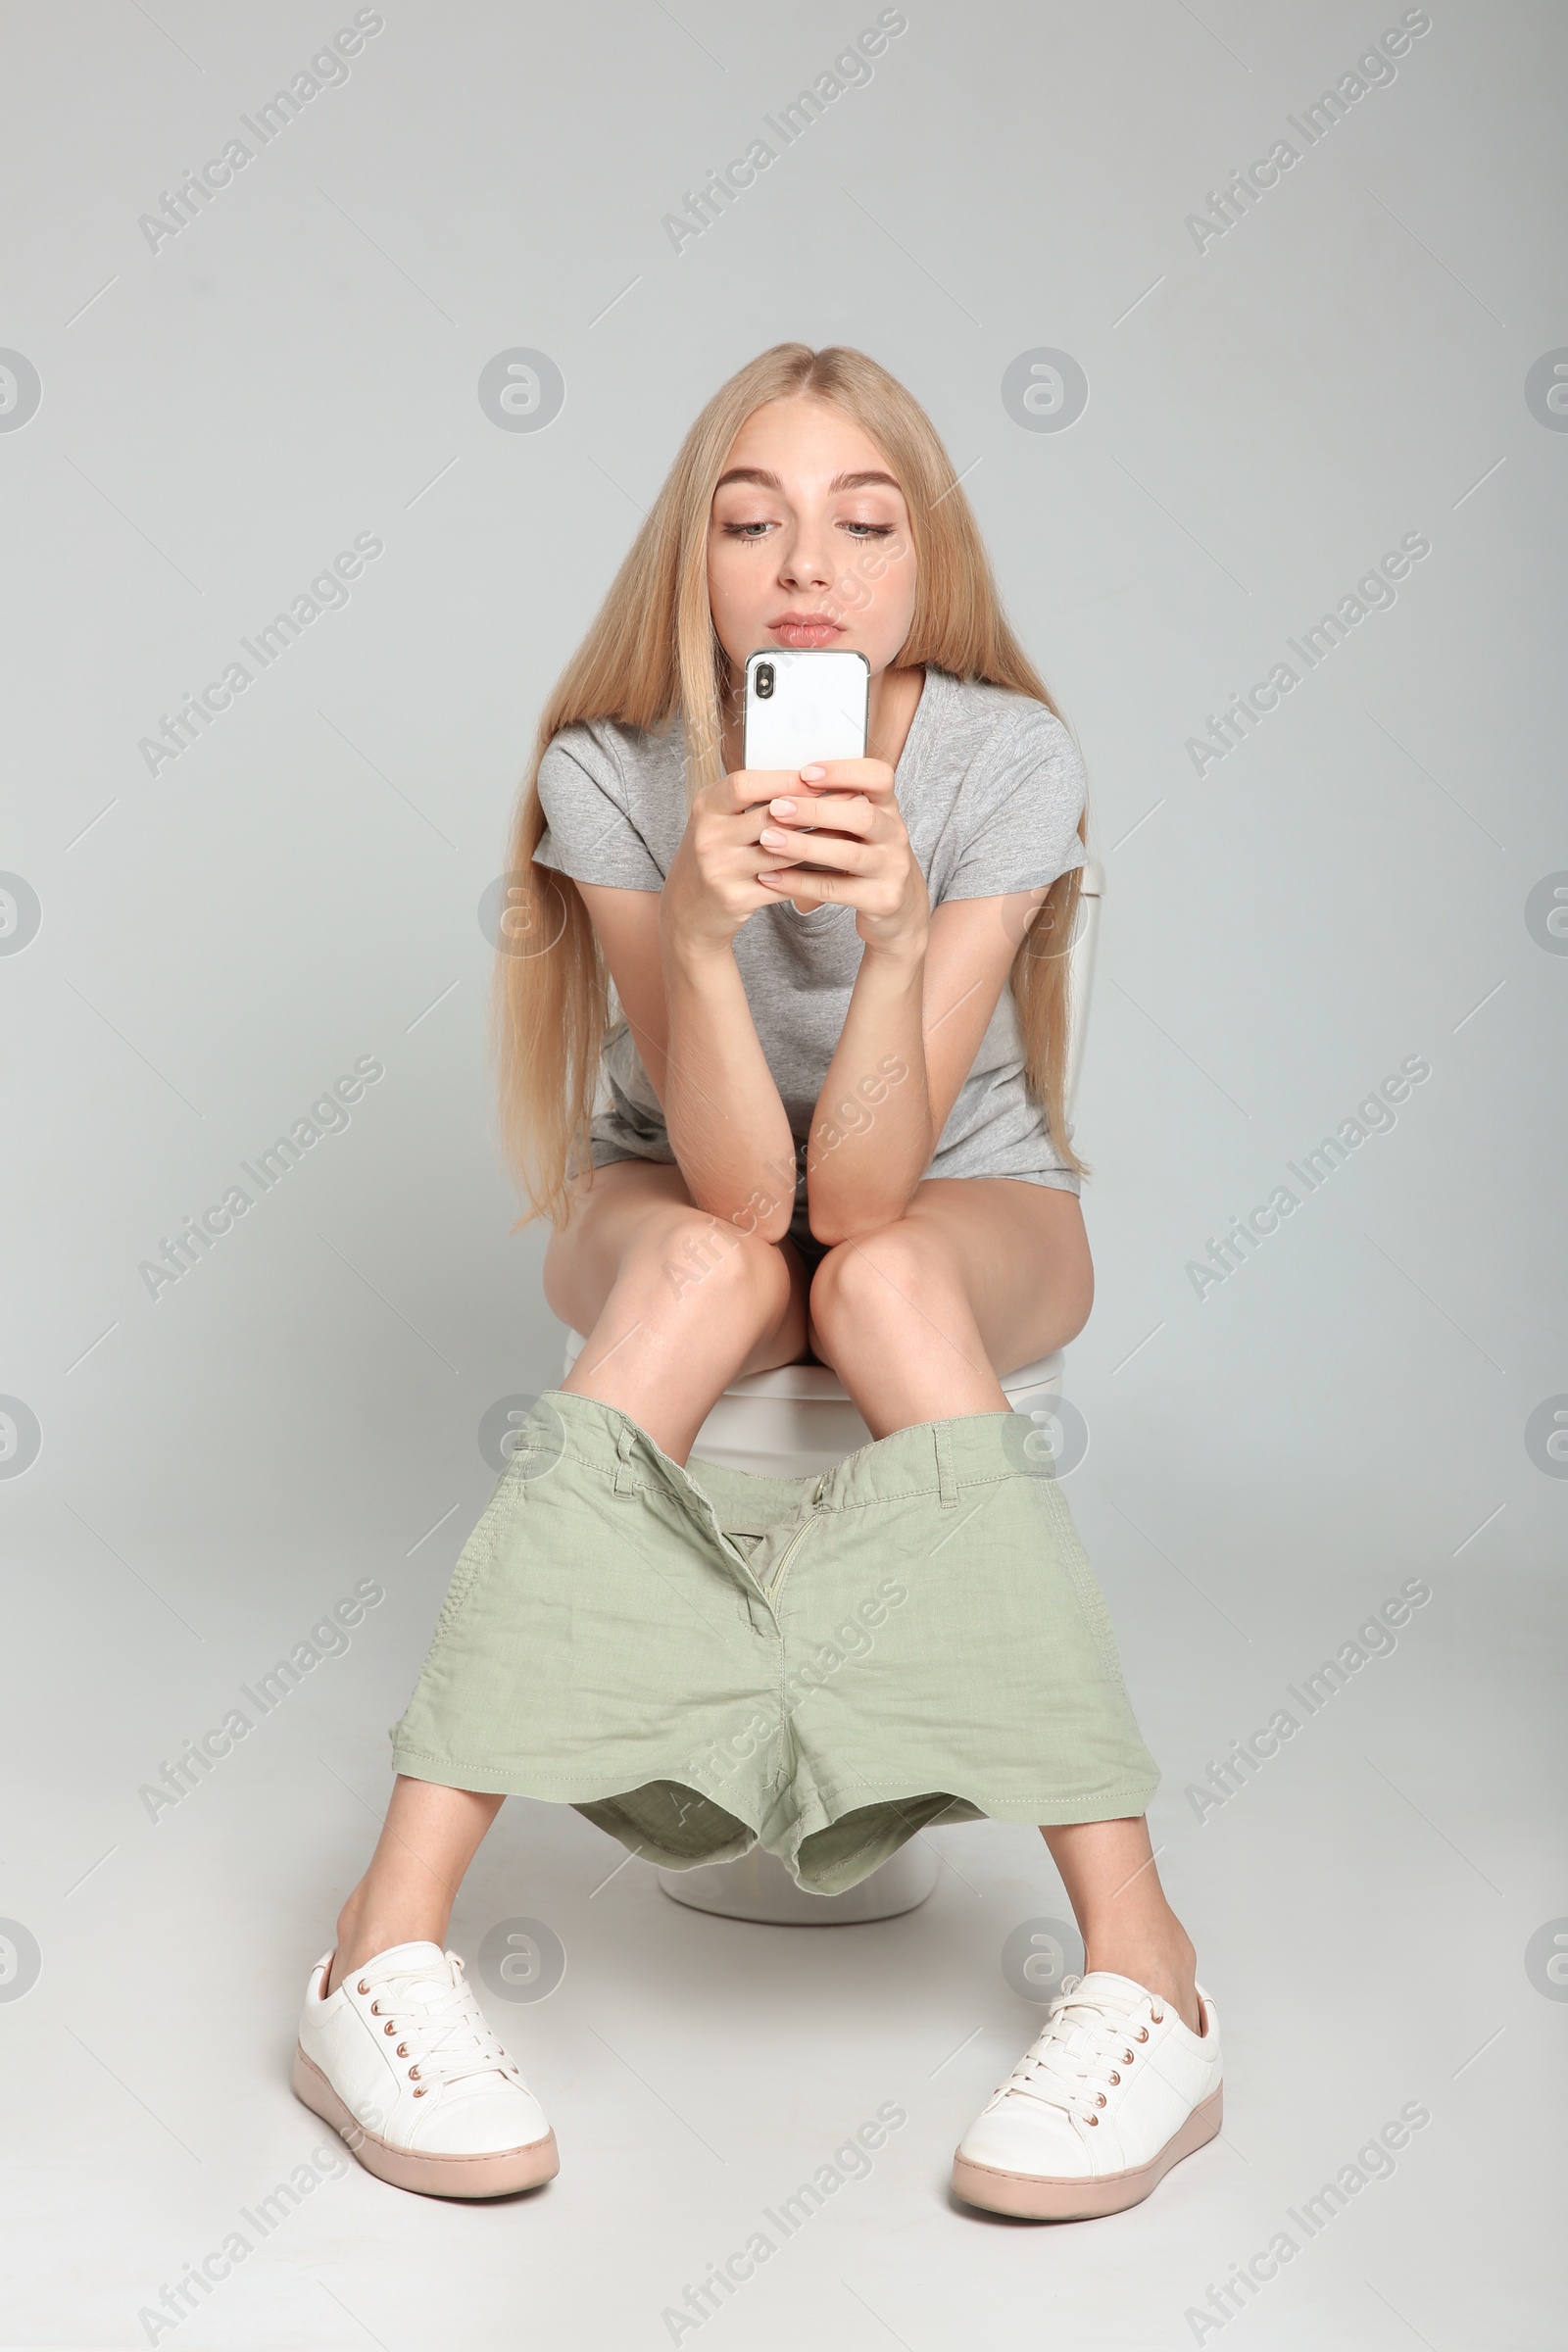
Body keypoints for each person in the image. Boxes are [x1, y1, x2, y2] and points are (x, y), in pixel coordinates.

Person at [292, 343, 1222, 2219]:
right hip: (678, 1184)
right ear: (695, 573)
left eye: (864, 523)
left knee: (873, 1285)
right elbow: (739, 1182)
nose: (810, 563)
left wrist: (888, 952)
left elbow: (867, 1193)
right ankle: (376, 1949)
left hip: (954, 1192)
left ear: (921, 566)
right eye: (753, 521)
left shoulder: (1002, 759)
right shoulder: (612, 771)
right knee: (717, 1262)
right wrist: (708, 946)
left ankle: (1149, 1971)